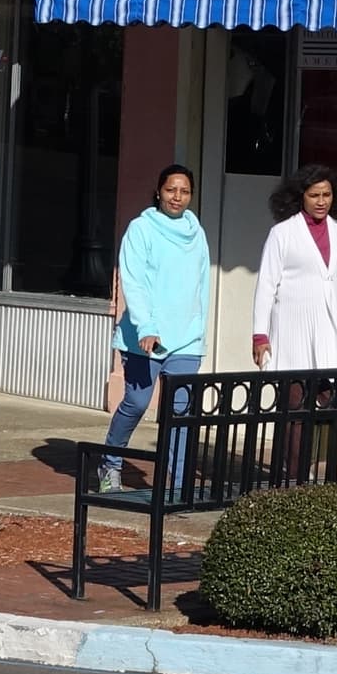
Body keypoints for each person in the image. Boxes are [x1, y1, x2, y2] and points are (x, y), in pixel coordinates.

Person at [99, 164, 209, 494]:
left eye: (185, 191)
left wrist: (199, 330)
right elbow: (133, 282)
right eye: (171, 189)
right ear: (159, 191)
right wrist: (146, 326)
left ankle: (177, 485)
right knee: (137, 400)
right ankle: (110, 463)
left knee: (180, 411)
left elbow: (201, 285)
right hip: (144, 337)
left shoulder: (196, 231)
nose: (177, 197)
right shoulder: (141, 229)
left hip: (186, 338)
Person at [253, 163, 337, 370]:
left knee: (336, 398)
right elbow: (266, 287)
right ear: (301, 197)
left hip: (329, 333)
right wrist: (260, 336)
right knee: (295, 399)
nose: (322, 202)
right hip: (292, 334)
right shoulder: (282, 233)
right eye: (314, 195)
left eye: (327, 195)